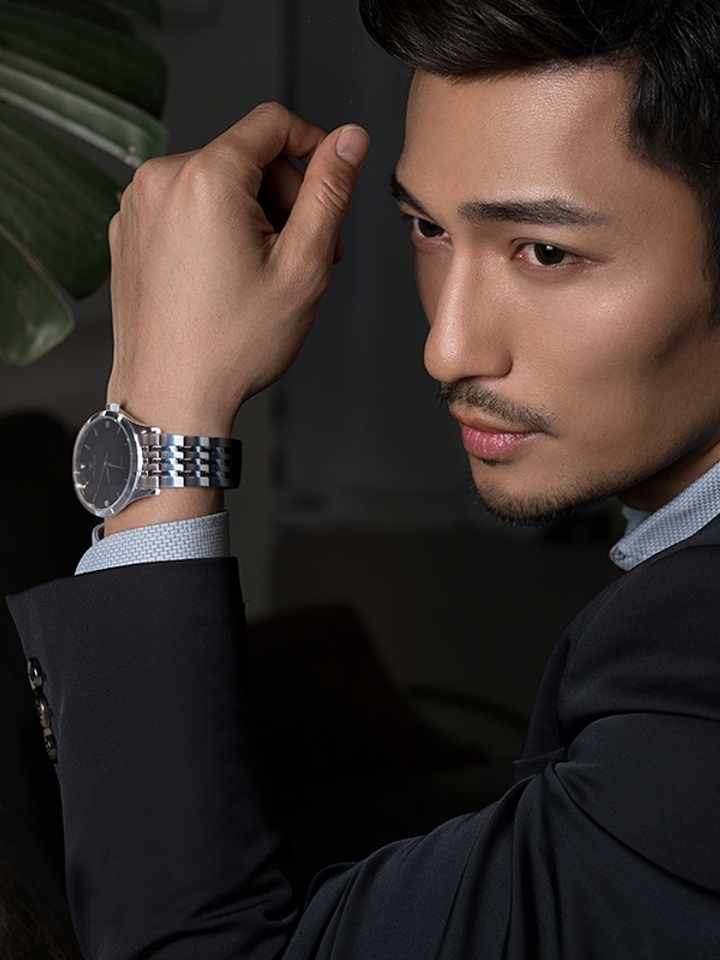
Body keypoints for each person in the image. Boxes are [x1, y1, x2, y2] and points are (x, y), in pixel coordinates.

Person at [8, 0, 720, 956]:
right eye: (427, 228)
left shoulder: (693, 672)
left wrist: (163, 418)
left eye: (545, 252)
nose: (447, 348)